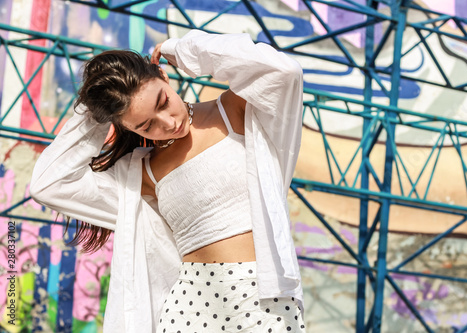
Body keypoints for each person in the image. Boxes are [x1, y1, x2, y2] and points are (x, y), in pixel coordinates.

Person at [30, 29, 305, 332]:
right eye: (146, 125)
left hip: (266, 300)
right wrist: (96, 112)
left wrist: (184, 50)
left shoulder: (235, 111)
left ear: (163, 75)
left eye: (162, 102)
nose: (168, 122)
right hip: (188, 308)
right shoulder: (142, 173)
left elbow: (284, 71)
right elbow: (48, 184)